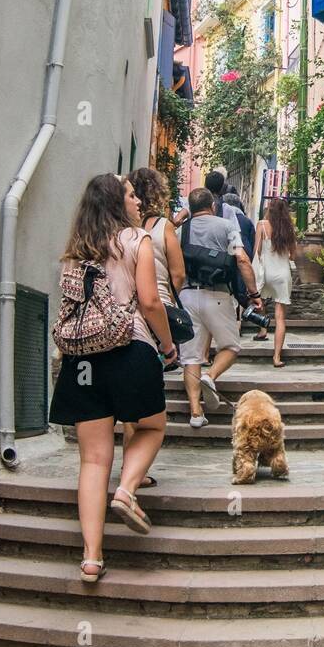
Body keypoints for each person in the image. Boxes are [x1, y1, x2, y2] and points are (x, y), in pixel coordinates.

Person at [49, 174, 175, 583]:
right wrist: (169, 347)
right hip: (130, 348)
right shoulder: (137, 240)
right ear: (118, 203)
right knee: (153, 426)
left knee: (92, 459)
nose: (138, 200)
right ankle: (126, 490)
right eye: (131, 195)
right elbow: (152, 302)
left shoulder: (74, 253)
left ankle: (91, 557)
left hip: (83, 360)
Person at [178, 188, 263, 426]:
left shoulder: (179, 231)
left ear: (191, 209)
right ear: (213, 206)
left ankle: (196, 413)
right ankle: (210, 375)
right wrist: (253, 293)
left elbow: (173, 267)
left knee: (191, 357)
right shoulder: (226, 226)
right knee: (230, 346)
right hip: (219, 295)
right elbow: (242, 259)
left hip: (188, 296)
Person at [127, 168, 191, 474]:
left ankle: (131, 463)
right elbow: (178, 273)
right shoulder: (164, 227)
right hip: (155, 309)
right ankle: (135, 472)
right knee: (150, 389)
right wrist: (167, 297)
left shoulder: (120, 227)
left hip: (126, 311)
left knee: (132, 391)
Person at [254, 198, 297, 368]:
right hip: (282, 274)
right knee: (280, 317)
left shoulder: (262, 225)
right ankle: (277, 357)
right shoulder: (288, 229)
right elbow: (293, 256)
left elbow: (256, 251)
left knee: (258, 301)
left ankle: (263, 328)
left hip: (266, 273)